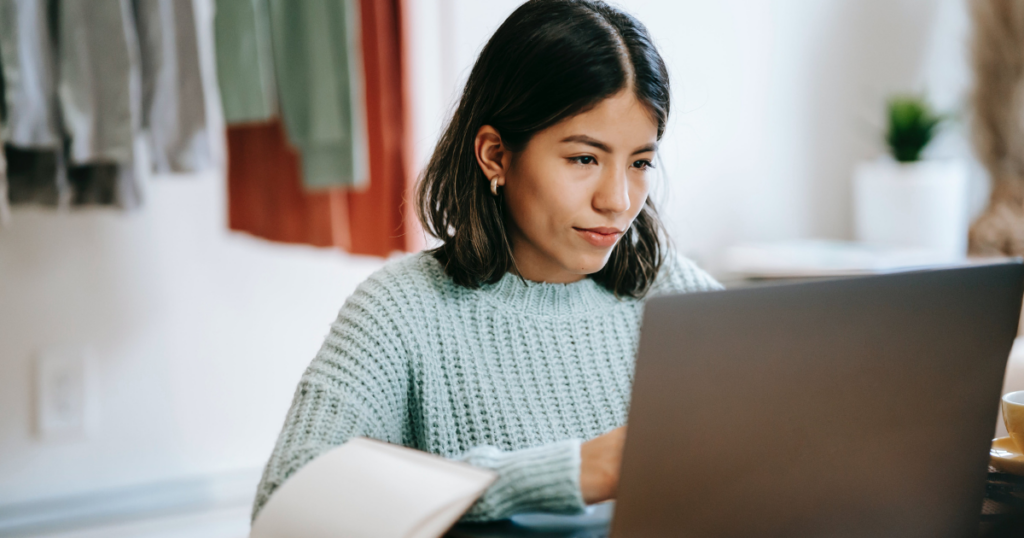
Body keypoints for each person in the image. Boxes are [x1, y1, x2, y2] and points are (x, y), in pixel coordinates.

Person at [252, 0, 721, 523]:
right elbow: (285, 505)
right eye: (584, 158)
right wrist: (564, 472)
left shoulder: (677, 294)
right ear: (496, 154)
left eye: (639, 163)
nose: (617, 199)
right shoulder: (401, 312)